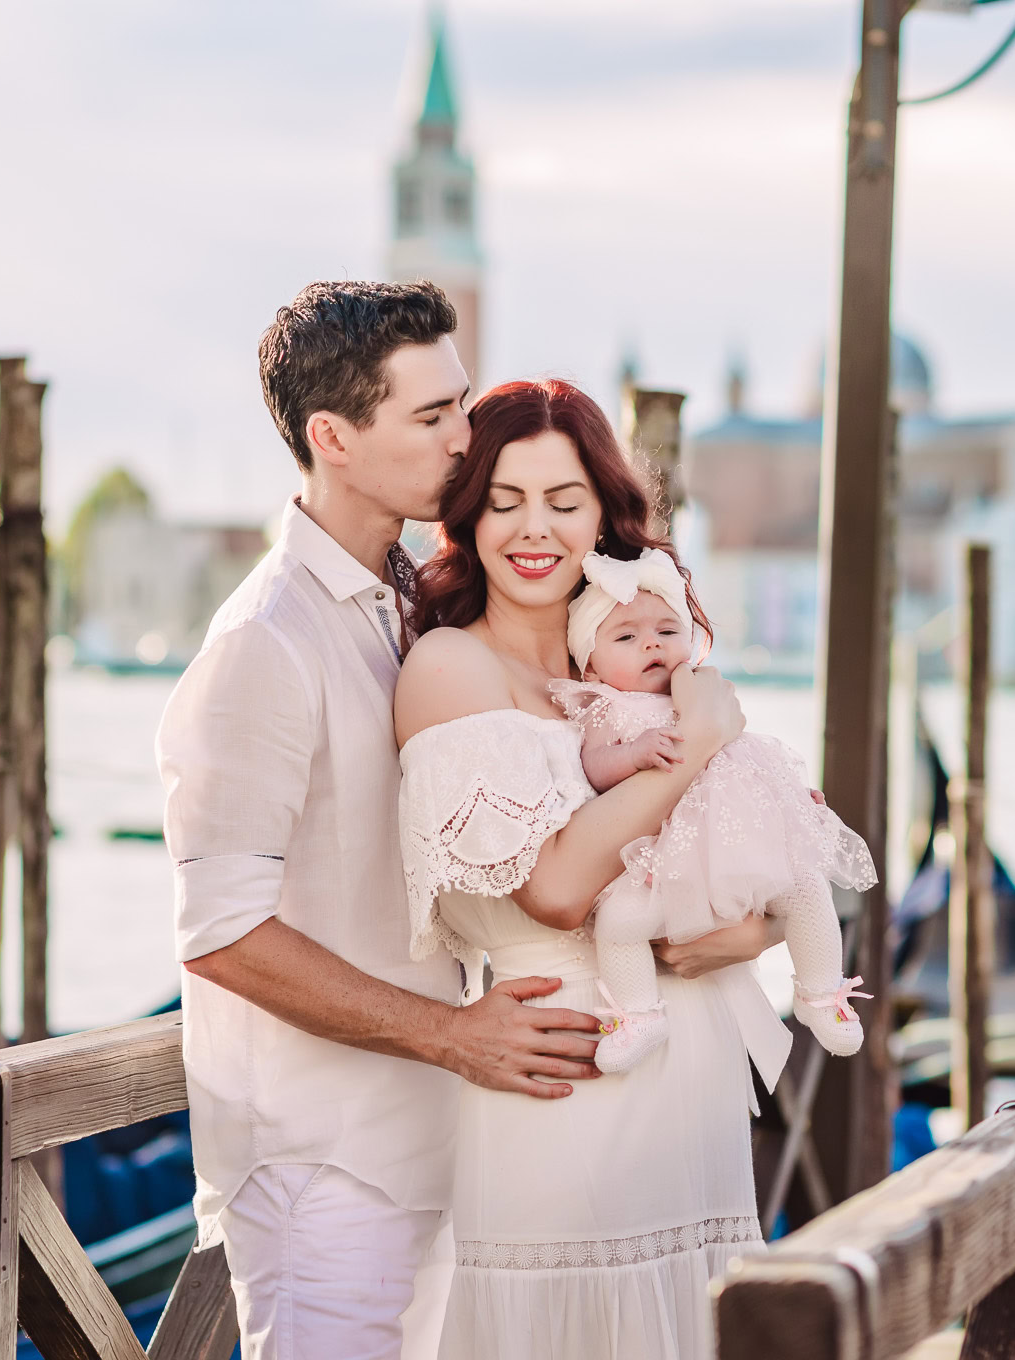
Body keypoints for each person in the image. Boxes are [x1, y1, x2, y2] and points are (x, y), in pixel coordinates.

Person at [394, 377, 783, 1360]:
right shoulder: (451, 667)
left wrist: (757, 929)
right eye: (506, 499)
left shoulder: (634, 660)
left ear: (603, 514)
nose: (535, 528)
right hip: (565, 1083)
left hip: (690, 1091)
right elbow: (558, 887)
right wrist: (696, 744)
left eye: (563, 501)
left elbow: (752, 837)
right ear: (467, 510)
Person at [546, 547, 878, 1074]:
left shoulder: (706, 693)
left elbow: (746, 763)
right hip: (660, 867)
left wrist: (791, 802)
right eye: (626, 637)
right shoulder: (608, 708)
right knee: (619, 921)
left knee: (807, 886)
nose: (651, 643)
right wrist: (632, 753)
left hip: (734, 848)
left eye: (667, 631)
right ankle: (638, 1014)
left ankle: (820, 991)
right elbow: (594, 769)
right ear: (591, 663)